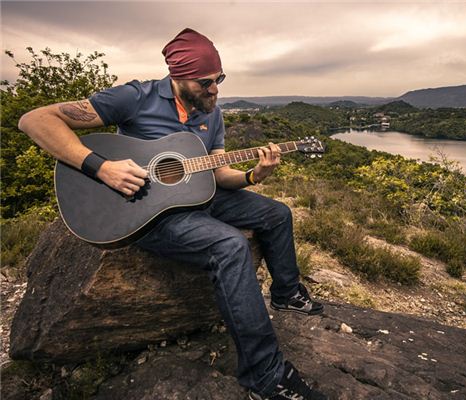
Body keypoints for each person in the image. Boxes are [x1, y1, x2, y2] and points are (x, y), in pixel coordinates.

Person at [19, 28, 327, 400]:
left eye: (219, 79)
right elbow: (35, 120)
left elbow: (216, 172)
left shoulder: (211, 114)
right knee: (230, 246)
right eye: (206, 82)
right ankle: (266, 378)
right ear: (178, 77)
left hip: (198, 195)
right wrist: (101, 167)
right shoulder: (136, 97)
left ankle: (286, 292)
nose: (215, 90)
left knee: (277, 214)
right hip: (146, 209)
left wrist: (252, 175)